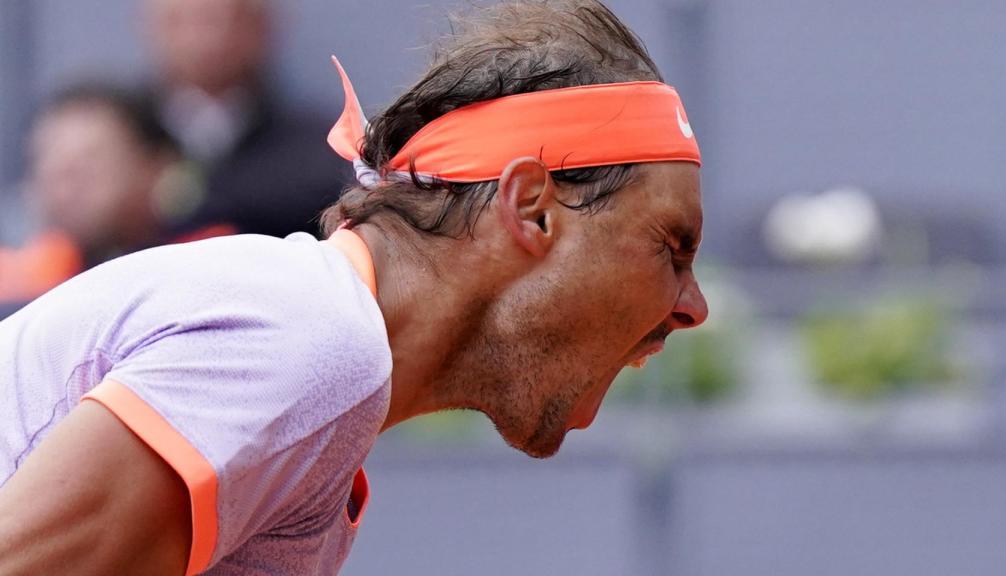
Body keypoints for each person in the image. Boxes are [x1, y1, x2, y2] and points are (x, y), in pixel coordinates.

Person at [0, 1, 707, 574]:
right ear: (530, 209)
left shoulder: (320, 356)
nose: (693, 308)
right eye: (671, 247)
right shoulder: (311, 338)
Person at [0, 83, 226, 313]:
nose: (64, 185)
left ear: (155, 167)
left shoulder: (212, 268)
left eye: (89, 162)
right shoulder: (19, 280)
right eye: (49, 161)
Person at [144, 0, 349, 238]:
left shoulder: (324, 146)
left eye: (215, 20)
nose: (198, 38)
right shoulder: (122, 140)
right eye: (179, 21)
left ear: (261, 28)